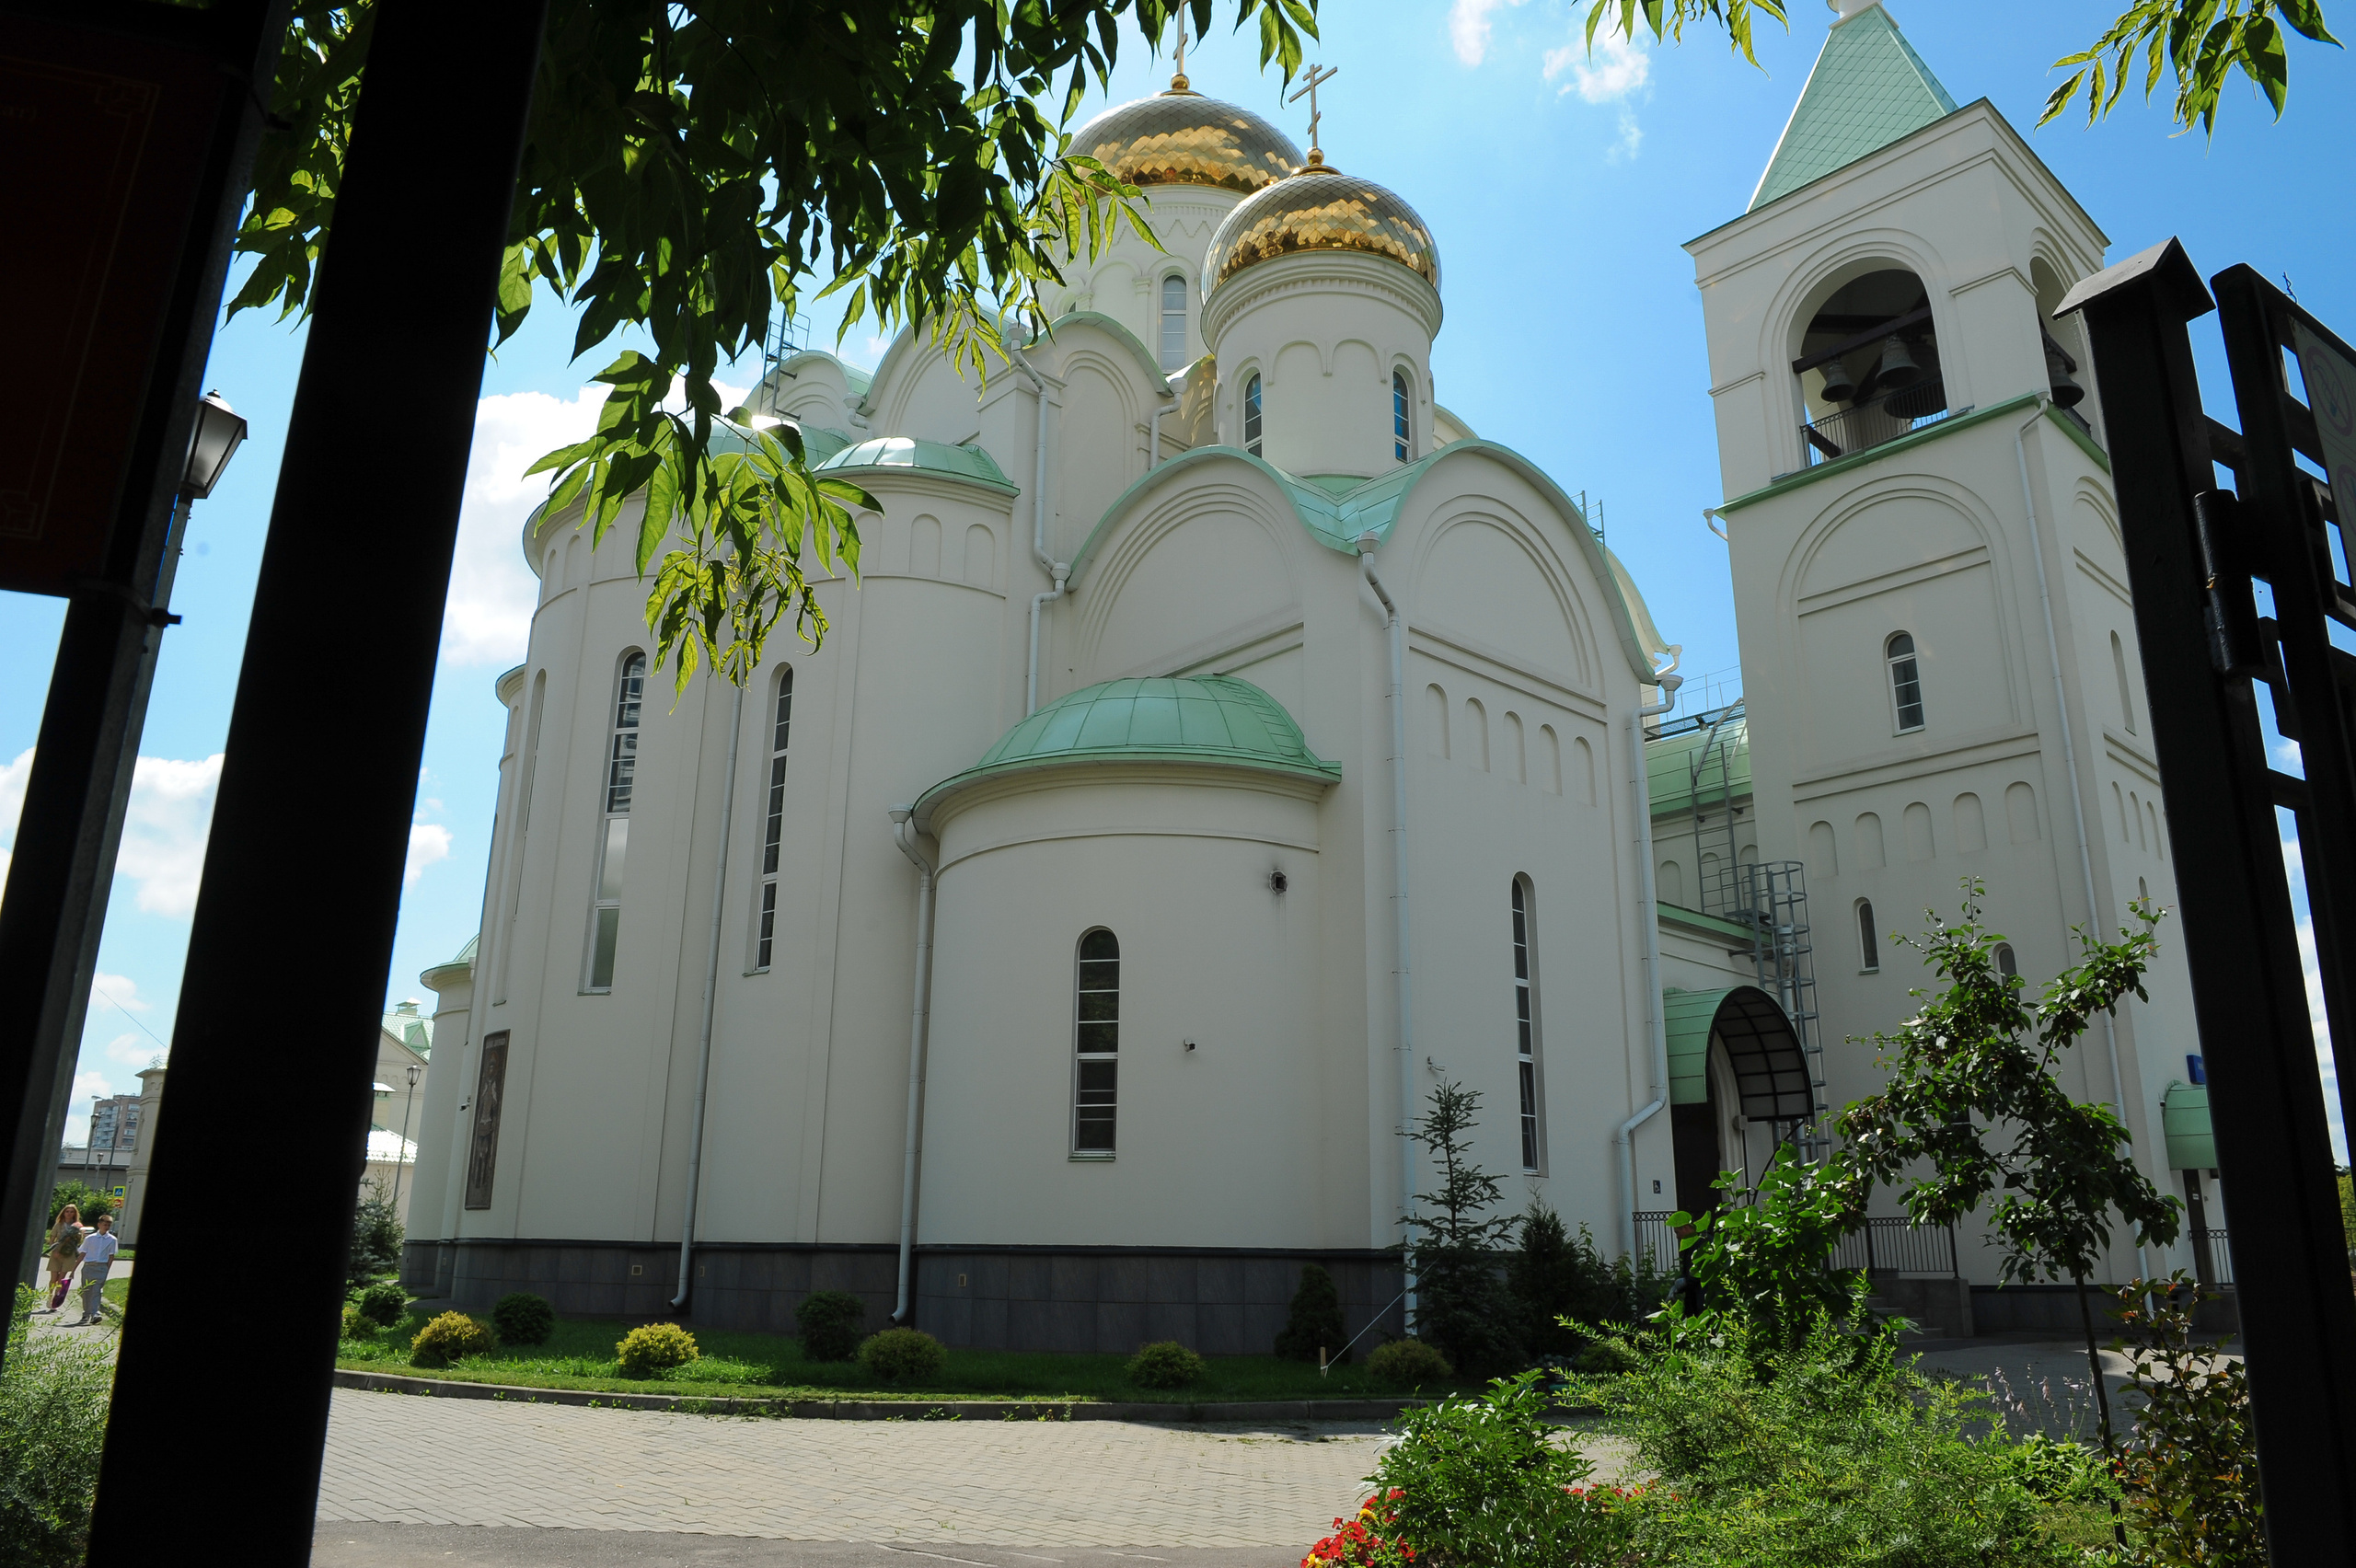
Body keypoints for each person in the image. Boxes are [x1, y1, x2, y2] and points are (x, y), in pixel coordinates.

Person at [68, 1215, 119, 1327]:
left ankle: (95, 1314)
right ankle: (86, 1314)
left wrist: (106, 1270)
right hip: (88, 1267)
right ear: (99, 1225)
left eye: (109, 1225)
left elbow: (111, 1257)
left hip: (101, 1267)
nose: (106, 1227)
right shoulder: (89, 1239)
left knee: (96, 1290)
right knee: (86, 1291)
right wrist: (72, 1271)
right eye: (105, 1224)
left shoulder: (112, 1240)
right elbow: (82, 1254)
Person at [40, 1204, 83, 1313]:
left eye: (71, 1212)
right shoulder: (59, 1224)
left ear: (75, 1214)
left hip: (69, 1253)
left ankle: (56, 1300)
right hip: (57, 1253)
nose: (69, 1213)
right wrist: (53, 1249)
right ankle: (49, 1296)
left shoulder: (77, 1225)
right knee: (53, 1278)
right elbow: (52, 1237)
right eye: (67, 1211)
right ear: (63, 1213)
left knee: (61, 1279)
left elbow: (80, 1240)